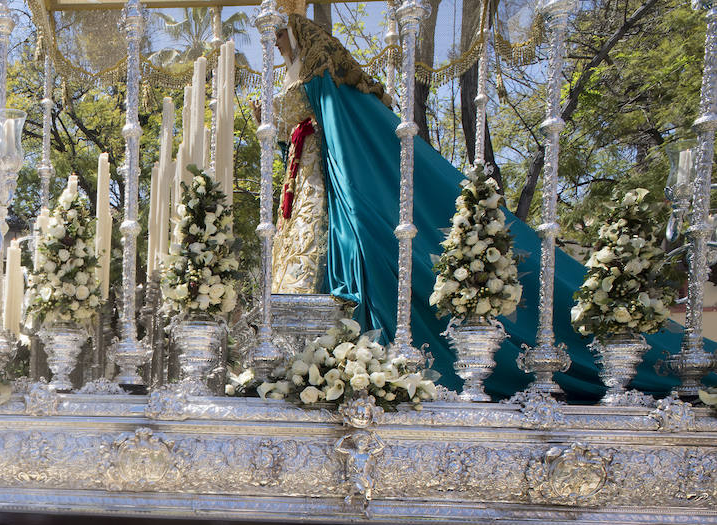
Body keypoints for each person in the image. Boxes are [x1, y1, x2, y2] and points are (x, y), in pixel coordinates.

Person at [261, 13, 705, 399]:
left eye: (283, 42)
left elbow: (353, 146)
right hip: (318, 200)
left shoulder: (333, 89)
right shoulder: (313, 114)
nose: (280, 51)